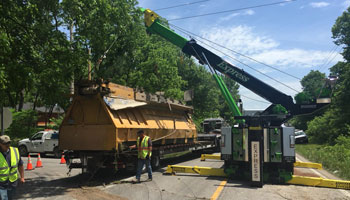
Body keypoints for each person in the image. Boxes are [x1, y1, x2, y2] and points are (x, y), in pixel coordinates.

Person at [0, 135, 24, 200]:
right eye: (5, 144)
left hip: (12, 183)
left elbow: (20, 165)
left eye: (8, 143)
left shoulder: (15, 151)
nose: (7, 145)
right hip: (1, 184)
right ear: (0, 144)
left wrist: (22, 177)